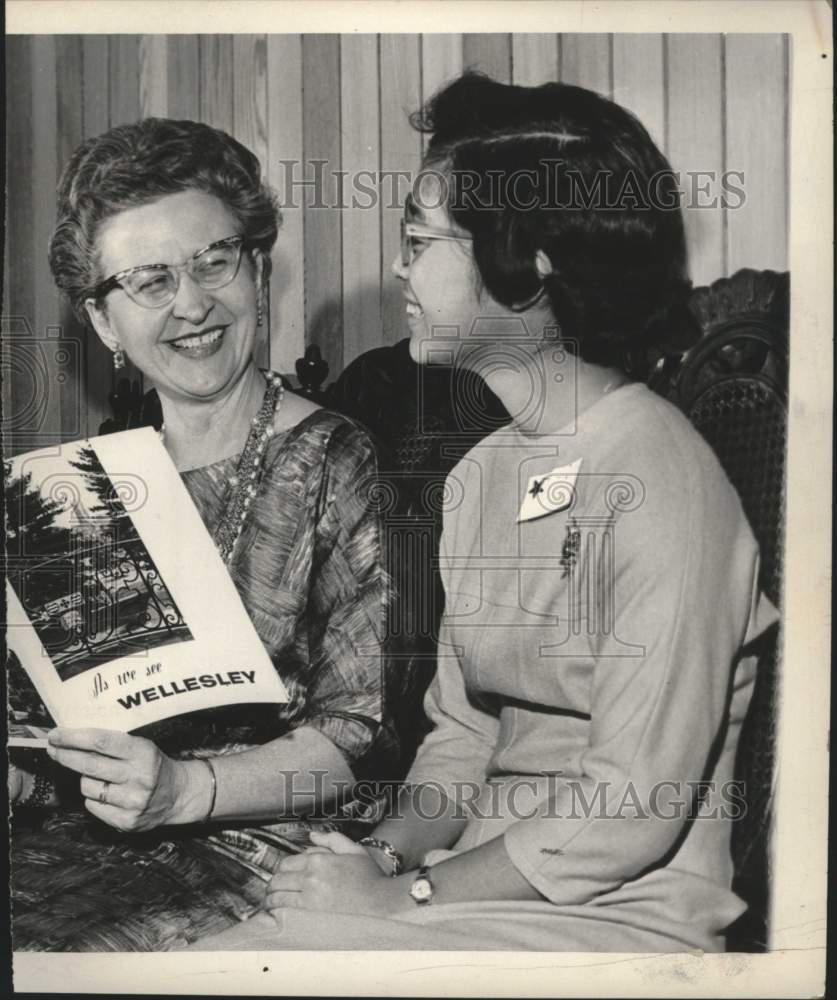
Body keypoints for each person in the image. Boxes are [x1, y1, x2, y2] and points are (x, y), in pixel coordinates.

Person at [189, 73, 779, 953]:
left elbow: (627, 811)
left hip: (620, 920)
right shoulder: (480, 475)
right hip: (475, 889)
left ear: (527, 268)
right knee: (221, 951)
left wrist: (408, 898)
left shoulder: (663, 484)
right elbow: (463, 738)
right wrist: (378, 862)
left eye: (421, 240)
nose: (398, 266)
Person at [7, 118, 405, 952]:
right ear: (105, 323)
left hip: (252, 850)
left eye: (212, 261)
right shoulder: (74, 491)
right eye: (148, 281)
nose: (191, 303)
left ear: (258, 270)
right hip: (71, 841)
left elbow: (356, 739)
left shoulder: (333, 457)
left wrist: (188, 789)